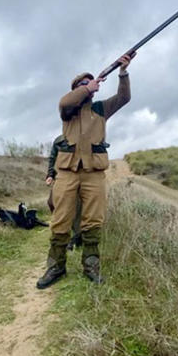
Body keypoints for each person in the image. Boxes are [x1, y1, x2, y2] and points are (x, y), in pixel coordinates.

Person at [37, 53, 134, 289]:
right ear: (76, 88)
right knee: (60, 219)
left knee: (93, 220)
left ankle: (91, 267)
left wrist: (122, 72)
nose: (90, 86)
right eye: (83, 84)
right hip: (67, 172)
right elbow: (65, 103)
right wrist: (86, 87)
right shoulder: (68, 110)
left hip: (94, 173)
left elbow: (124, 98)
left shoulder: (100, 109)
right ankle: (56, 267)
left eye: (91, 83)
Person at [46, 135, 82, 250]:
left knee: (75, 208)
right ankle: (63, 231)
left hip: (80, 177)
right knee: (52, 203)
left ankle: (75, 237)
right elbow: (52, 158)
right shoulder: (59, 140)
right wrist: (50, 175)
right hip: (62, 177)